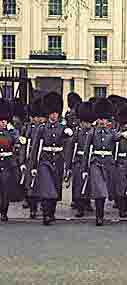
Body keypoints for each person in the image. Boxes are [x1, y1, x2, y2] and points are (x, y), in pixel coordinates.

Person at [81, 98, 127, 226]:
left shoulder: (111, 132)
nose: (102, 122)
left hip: (108, 164)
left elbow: (116, 137)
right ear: (97, 119)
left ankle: (101, 214)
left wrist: (123, 135)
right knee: (99, 191)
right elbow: (86, 151)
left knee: (105, 191)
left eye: (104, 119)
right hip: (96, 163)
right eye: (100, 119)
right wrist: (84, 170)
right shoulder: (92, 133)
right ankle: (99, 216)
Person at [30, 92, 73, 226]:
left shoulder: (63, 128)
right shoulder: (41, 128)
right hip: (45, 160)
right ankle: (45, 214)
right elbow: (35, 148)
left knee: (55, 187)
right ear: (48, 113)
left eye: (56, 113)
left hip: (58, 160)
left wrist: (69, 135)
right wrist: (33, 166)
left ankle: (51, 212)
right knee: (46, 188)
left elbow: (67, 148)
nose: (54, 115)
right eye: (52, 113)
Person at [66, 101, 96, 218]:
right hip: (78, 160)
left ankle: (87, 201)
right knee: (78, 184)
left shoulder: (93, 132)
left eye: (88, 122)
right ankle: (79, 205)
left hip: (89, 159)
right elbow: (70, 148)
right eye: (84, 122)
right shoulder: (77, 132)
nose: (86, 125)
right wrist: (68, 166)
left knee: (89, 184)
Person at [0, 99, 26, 222]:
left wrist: (18, 141)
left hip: (7, 163)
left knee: (5, 188)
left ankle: (4, 211)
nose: (3, 123)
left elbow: (17, 141)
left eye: (4, 121)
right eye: (1, 121)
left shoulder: (12, 132)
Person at [113, 105, 127, 218]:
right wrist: (120, 134)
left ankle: (125, 205)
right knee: (121, 186)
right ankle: (122, 208)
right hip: (120, 162)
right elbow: (112, 137)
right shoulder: (118, 133)